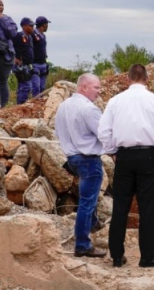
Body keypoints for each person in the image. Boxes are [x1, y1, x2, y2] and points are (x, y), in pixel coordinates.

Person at [98, 64, 154, 268]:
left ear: (128, 79)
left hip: (124, 157)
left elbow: (103, 131)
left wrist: (113, 152)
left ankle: (116, 256)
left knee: (120, 207)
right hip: (149, 157)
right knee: (147, 208)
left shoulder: (115, 101)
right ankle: (147, 257)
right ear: (147, 79)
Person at [55, 73, 107, 259]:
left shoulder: (63, 106)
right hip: (88, 159)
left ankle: (92, 223)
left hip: (72, 159)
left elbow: (57, 132)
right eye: (96, 87)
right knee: (87, 202)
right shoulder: (89, 109)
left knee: (87, 197)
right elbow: (105, 134)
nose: (99, 92)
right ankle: (83, 245)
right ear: (84, 87)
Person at [12, 18, 35, 105]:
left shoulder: (30, 37)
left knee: (22, 86)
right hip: (20, 66)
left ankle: (19, 105)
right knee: (26, 86)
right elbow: (9, 46)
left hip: (28, 65)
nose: (33, 27)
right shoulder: (18, 36)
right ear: (24, 26)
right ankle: (22, 105)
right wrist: (13, 58)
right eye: (31, 25)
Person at [0, 0, 18, 108]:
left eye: (1, 5)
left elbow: (12, 33)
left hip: (4, 55)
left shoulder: (7, 19)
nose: (0, 7)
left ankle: (3, 106)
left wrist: (2, 19)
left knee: (2, 81)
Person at [31, 16, 50, 96]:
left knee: (42, 88)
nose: (48, 26)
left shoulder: (43, 36)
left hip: (43, 64)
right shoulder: (33, 34)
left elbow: (44, 50)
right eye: (47, 24)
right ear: (43, 25)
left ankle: (40, 105)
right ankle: (34, 105)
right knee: (36, 88)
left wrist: (47, 62)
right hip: (35, 64)